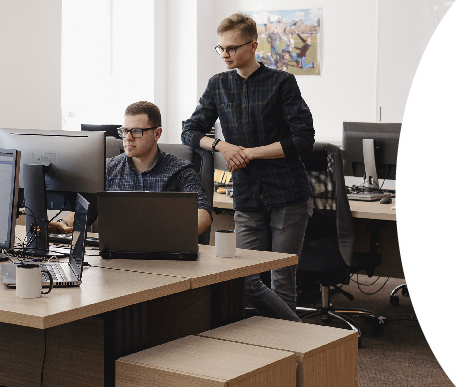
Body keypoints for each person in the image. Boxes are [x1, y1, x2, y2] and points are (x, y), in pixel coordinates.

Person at [181, 12, 315, 322]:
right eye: (221, 49)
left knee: (282, 277)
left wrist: (250, 153)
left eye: (231, 48)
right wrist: (222, 146)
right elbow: (190, 131)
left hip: (287, 192)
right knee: (245, 277)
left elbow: (303, 139)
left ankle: (290, 345)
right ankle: (274, 339)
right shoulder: (218, 85)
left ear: (253, 46)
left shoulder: (282, 82)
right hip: (247, 194)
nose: (224, 55)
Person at [50, 101, 212, 236]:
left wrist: (176, 237)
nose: (128, 138)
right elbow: (87, 209)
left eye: (136, 132)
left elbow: (203, 212)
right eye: (125, 131)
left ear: (157, 134)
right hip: (115, 257)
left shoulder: (180, 170)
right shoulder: (108, 169)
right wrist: (61, 224)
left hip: (165, 257)